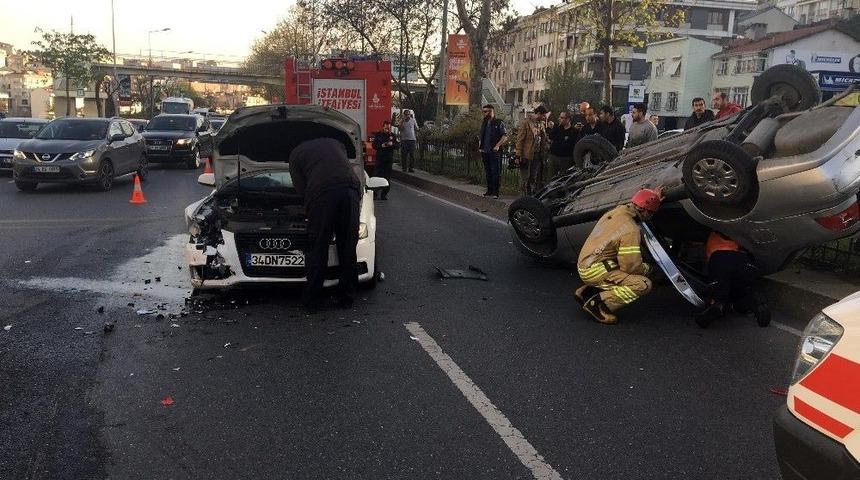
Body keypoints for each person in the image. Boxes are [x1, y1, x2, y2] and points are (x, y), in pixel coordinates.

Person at [288, 138, 362, 312]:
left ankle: (312, 300)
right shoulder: (337, 144)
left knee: (318, 245)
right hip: (351, 189)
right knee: (348, 246)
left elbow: (301, 189)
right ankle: (346, 298)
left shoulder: (295, 155)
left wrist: (306, 208)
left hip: (322, 194)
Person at [573, 188, 663, 324]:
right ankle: (598, 305)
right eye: (652, 213)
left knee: (617, 269)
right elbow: (631, 267)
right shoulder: (631, 231)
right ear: (646, 212)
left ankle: (587, 293)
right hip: (594, 270)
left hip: (586, 262)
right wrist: (648, 269)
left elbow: (644, 202)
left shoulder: (618, 211)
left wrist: (651, 198)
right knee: (642, 284)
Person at [695, 231, 771, 328]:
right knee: (746, 290)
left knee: (718, 289)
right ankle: (755, 304)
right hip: (744, 260)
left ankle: (718, 305)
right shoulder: (738, 233)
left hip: (720, 258)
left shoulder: (713, 231)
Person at [515, 104, 549, 196]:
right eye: (543, 115)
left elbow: (544, 139)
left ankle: (530, 197)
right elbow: (520, 140)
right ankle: (522, 197)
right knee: (524, 178)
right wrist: (518, 155)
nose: (544, 117)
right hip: (526, 155)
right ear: (538, 113)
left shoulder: (541, 124)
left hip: (537, 154)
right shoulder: (526, 123)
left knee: (533, 177)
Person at [478, 104, 508, 199]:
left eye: (486, 111)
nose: (484, 113)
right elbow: (481, 135)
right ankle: (489, 191)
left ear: (491, 111)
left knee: (495, 172)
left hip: (494, 152)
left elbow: (505, 136)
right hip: (485, 151)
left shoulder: (499, 122)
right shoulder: (484, 123)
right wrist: (480, 145)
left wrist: (497, 146)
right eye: (483, 111)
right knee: (488, 172)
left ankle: (495, 192)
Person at [547, 110, 578, 175]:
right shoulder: (557, 128)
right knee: (551, 177)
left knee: (563, 178)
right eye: (560, 117)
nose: (560, 119)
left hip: (566, 159)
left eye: (562, 118)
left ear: (568, 119)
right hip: (554, 157)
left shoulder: (574, 131)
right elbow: (550, 136)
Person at [371, 121, 397, 200]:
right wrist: (382, 145)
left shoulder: (393, 136)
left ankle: (384, 194)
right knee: (377, 176)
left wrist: (392, 145)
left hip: (388, 160)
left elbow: (398, 146)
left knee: (387, 178)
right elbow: (374, 145)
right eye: (386, 128)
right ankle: (375, 194)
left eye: (388, 128)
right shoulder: (378, 135)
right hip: (380, 159)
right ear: (383, 127)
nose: (387, 129)